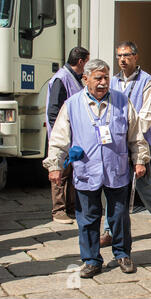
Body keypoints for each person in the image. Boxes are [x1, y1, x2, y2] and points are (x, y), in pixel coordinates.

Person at [43, 59, 150, 278]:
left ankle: (122, 253)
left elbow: (136, 136)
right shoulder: (72, 104)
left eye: (106, 78)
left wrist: (140, 159)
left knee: (119, 215)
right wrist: (54, 165)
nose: (103, 82)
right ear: (85, 79)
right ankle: (91, 260)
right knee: (88, 217)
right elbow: (59, 139)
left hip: (116, 168)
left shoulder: (122, 101)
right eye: (98, 78)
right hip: (86, 169)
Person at [100, 41, 151, 247]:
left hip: (138, 140)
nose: (122, 59)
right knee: (112, 184)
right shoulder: (112, 81)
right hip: (115, 143)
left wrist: (130, 134)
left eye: (127, 55)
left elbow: (147, 115)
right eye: (119, 56)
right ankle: (109, 229)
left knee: (143, 185)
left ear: (136, 57)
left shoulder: (147, 81)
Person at [46, 47, 90, 224]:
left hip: (75, 136)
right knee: (61, 173)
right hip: (64, 136)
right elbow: (53, 111)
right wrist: (61, 134)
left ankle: (71, 207)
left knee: (72, 173)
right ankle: (58, 210)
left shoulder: (75, 78)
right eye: (87, 61)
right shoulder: (61, 78)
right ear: (80, 62)